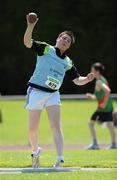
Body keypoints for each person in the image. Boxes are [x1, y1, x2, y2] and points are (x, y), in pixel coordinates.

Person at [23, 13, 94, 168]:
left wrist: (87, 79)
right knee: (32, 129)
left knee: (56, 126)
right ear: (57, 39)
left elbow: (77, 80)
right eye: (63, 38)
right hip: (36, 91)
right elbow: (27, 42)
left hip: (53, 95)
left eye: (68, 41)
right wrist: (30, 26)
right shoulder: (45, 49)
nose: (65, 41)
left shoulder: (68, 62)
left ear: (69, 46)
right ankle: (35, 153)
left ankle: (60, 158)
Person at [86, 62, 116, 150]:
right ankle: (114, 144)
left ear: (97, 72)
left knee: (90, 123)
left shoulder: (99, 82)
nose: (91, 72)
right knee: (110, 125)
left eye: (92, 71)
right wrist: (91, 97)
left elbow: (108, 91)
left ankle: (95, 144)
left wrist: (104, 103)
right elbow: (99, 96)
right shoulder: (103, 79)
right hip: (109, 107)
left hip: (103, 109)